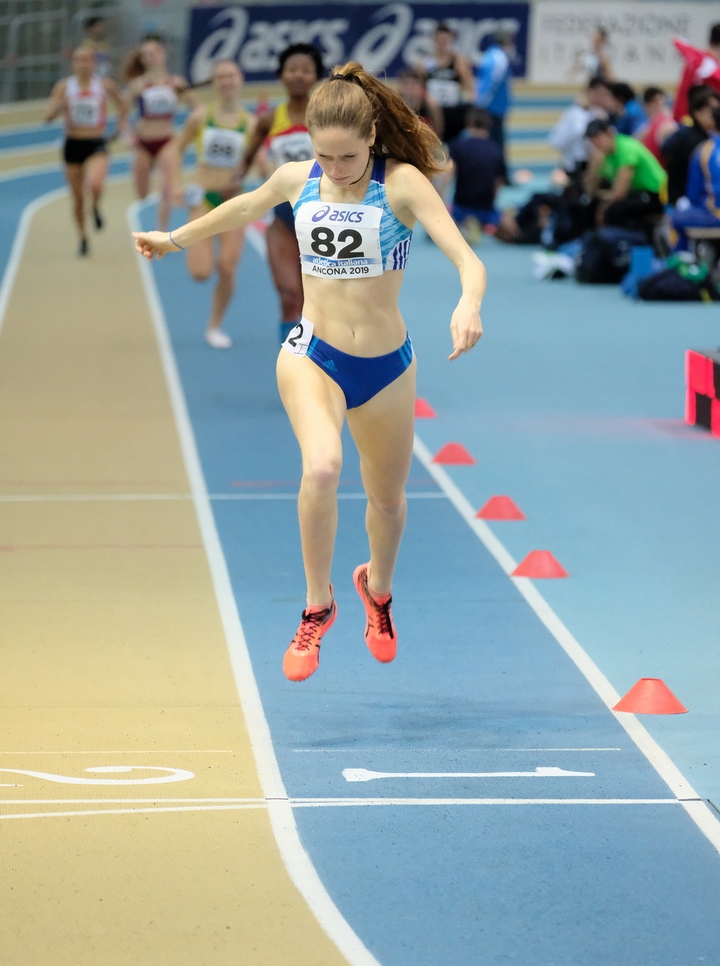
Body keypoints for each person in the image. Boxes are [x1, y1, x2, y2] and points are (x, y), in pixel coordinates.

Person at [133, 61, 486, 683]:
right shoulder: (299, 178)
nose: (335, 168)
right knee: (322, 467)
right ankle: (317, 606)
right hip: (313, 353)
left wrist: (469, 303)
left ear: (372, 137)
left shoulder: (402, 184)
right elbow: (244, 205)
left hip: (386, 366)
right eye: (324, 155)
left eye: (347, 157)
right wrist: (175, 238)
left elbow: (467, 259)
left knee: (387, 501)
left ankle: (376, 589)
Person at [233, 43, 324, 343]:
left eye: (306, 70)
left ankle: (317, 358)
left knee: (317, 303)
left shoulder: (327, 117)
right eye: (292, 69)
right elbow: (246, 161)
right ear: (281, 75)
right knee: (289, 295)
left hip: (323, 220)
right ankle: (289, 357)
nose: (298, 75)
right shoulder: (269, 120)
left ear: (316, 76)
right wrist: (234, 183)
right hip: (284, 218)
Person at [171, 59, 254, 349]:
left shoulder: (251, 123)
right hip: (204, 199)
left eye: (231, 76)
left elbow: (262, 161)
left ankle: (214, 325)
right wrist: (176, 185)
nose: (226, 81)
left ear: (240, 80)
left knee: (228, 269)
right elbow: (176, 149)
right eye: (220, 77)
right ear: (214, 83)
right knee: (200, 273)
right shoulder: (200, 117)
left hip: (234, 202)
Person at [44, 45, 127, 256]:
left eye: (86, 59)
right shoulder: (64, 87)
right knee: (78, 198)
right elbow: (47, 117)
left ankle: (96, 206)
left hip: (96, 142)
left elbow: (123, 105)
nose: (83, 64)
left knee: (95, 184)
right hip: (73, 144)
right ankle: (82, 237)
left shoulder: (105, 85)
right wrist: (60, 107)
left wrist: (119, 128)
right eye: (78, 60)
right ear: (73, 64)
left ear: (94, 63)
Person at [124, 35, 196, 231]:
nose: (152, 56)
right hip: (143, 143)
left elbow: (197, 109)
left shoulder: (176, 83)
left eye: (155, 52)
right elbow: (123, 117)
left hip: (167, 141)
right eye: (146, 54)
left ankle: (161, 232)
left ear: (163, 55)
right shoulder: (137, 85)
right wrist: (128, 135)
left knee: (167, 191)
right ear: (142, 59)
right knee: (142, 194)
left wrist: (186, 134)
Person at [584, 119, 666, 231]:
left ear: (609, 133)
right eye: (593, 141)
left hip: (656, 194)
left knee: (613, 210)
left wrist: (602, 203)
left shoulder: (626, 148)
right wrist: (593, 169)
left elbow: (619, 193)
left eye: (598, 138)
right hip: (636, 192)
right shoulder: (605, 155)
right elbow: (589, 191)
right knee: (588, 204)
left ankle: (631, 236)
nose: (596, 144)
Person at [448, 107, 507, 242]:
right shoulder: (497, 150)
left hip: (461, 206)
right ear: (489, 124)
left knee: (447, 216)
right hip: (486, 209)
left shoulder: (458, 146)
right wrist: (491, 202)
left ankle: (464, 224)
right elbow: (498, 183)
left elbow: (448, 175)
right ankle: (486, 225)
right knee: (505, 222)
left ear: (469, 123)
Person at [662, 86, 720, 205]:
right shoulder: (693, 141)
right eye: (712, 110)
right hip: (683, 200)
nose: (716, 114)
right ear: (697, 112)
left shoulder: (705, 136)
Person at [547, 75, 609, 182]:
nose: (600, 98)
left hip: (598, 165)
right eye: (598, 93)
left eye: (604, 94)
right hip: (576, 164)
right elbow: (557, 141)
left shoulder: (603, 114)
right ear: (588, 91)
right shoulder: (574, 113)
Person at [421, 22, 474, 143]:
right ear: (434, 40)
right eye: (439, 40)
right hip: (432, 111)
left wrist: (470, 100)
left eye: (445, 40)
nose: (442, 43)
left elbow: (470, 85)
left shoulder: (458, 61)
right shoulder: (425, 63)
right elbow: (420, 85)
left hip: (452, 110)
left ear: (451, 40)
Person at [474, 29, 514, 156]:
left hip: (492, 106)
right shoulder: (499, 58)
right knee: (495, 141)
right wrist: (481, 104)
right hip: (492, 107)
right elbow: (491, 83)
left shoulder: (490, 55)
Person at [672, 24, 720, 123]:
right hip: (689, 121)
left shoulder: (698, 58)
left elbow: (681, 44)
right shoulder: (708, 67)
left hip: (681, 118)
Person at [397, 66, 444, 138]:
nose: (410, 88)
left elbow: (438, 131)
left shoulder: (430, 107)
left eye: (414, 84)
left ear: (423, 88)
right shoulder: (396, 106)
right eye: (407, 84)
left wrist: (434, 108)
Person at [635, 86, 676, 164]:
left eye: (661, 103)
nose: (659, 105)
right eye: (656, 103)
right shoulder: (644, 125)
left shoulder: (667, 123)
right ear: (647, 105)